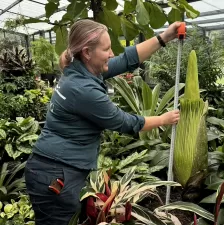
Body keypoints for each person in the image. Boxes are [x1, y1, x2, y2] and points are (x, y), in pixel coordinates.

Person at [25, 19, 181, 225]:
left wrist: (165, 37)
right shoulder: (83, 90)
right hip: (55, 176)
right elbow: (124, 122)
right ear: (87, 52)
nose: (111, 54)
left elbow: (127, 59)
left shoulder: (80, 69)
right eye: (106, 49)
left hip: (53, 169)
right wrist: (163, 119)